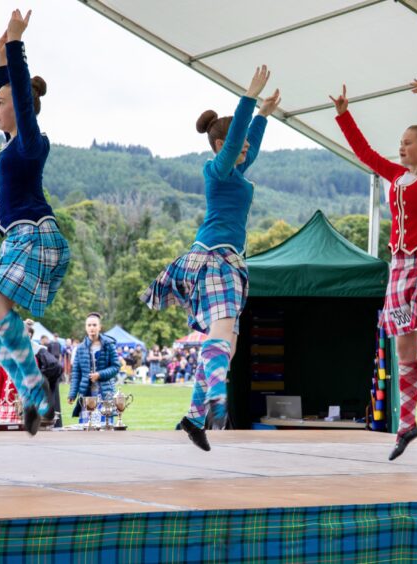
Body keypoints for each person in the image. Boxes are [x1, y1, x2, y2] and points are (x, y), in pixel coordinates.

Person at [142, 66, 280, 451]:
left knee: (229, 348)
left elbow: (246, 139)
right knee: (220, 338)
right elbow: (238, 137)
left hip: (230, 263)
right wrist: (249, 97)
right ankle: (216, 401)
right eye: (239, 147)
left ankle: (193, 417)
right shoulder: (217, 171)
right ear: (222, 147)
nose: (247, 151)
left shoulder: (235, 174)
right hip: (213, 260)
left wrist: (264, 116)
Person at [331, 80, 417, 460]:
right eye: (400, 141)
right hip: (401, 268)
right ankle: (407, 426)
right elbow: (364, 152)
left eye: (407, 141)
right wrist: (343, 115)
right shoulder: (394, 177)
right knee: (405, 351)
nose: (401, 146)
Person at [0, 9, 70, 436]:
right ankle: (29, 392)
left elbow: (16, 82)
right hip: (14, 237)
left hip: (33, 232)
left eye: (1, 102)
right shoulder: (11, 142)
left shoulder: (31, 142)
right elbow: (6, 81)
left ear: (22, 108)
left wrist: (15, 41)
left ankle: (34, 390)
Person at [69, 313, 120, 423]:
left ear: (99, 327)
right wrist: (72, 394)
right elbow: (76, 373)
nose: (92, 328)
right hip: (86, 393)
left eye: (94, 325)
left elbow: (116, 367)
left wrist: (100, 375)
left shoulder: (109, 345)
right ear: (86, 327)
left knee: (105, 428)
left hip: (105, 392)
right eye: (89, 325)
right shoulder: (80, 348)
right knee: (87, 429)